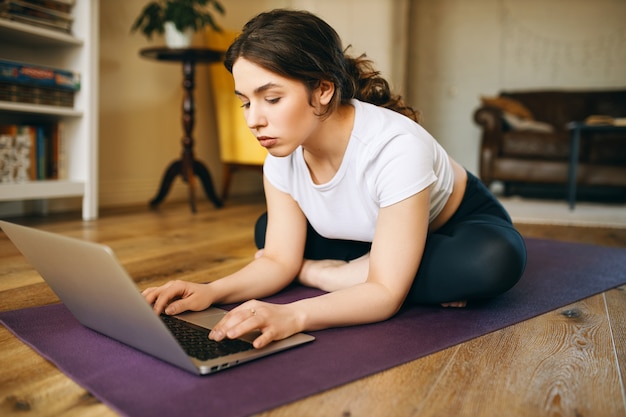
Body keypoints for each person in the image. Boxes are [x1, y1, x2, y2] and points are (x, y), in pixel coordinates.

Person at [143, 9, 527, 349]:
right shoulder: (282, 148)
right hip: (368, 233)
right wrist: (210, 291)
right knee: (268, 232)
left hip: (458, 226)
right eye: (246, 101)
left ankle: (341, 272)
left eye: (271, 98)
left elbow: (384, 294)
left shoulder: (395, 146)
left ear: (323, 89)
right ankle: (380, 269)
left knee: (489, 263)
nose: (253, 120)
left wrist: (297, 309)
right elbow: (277, 259)